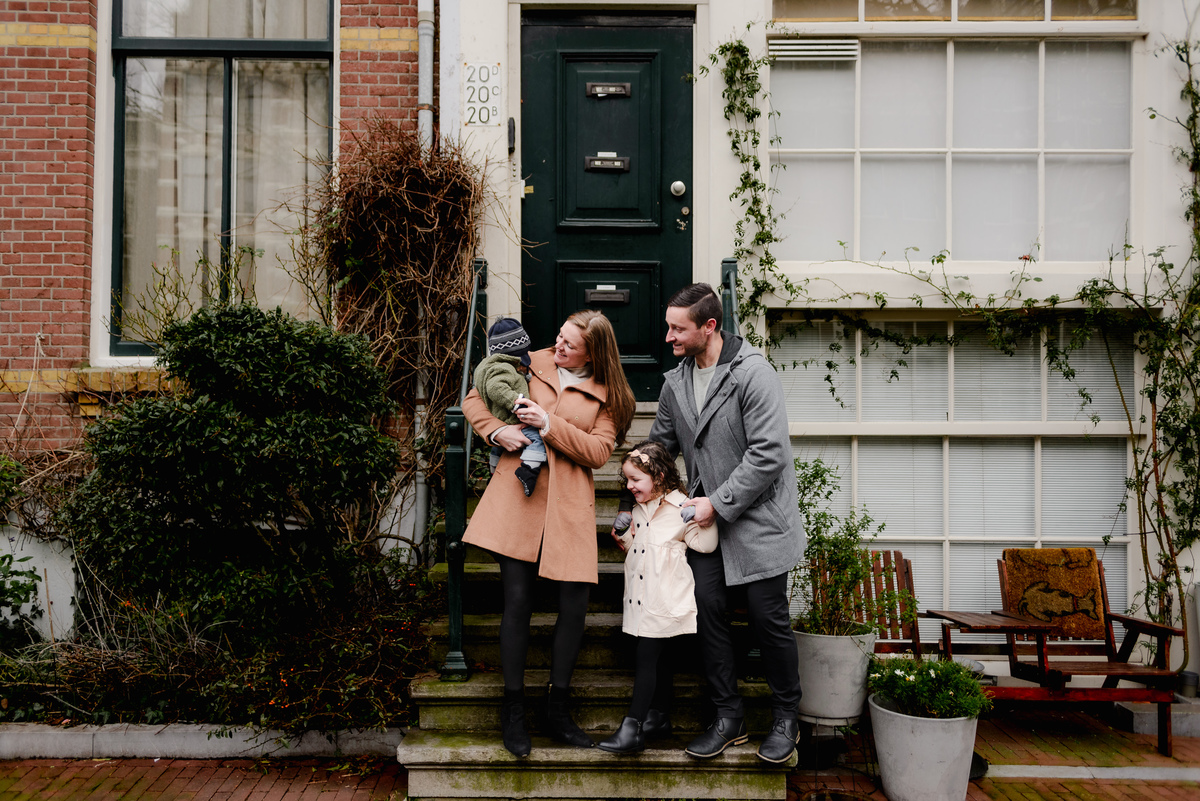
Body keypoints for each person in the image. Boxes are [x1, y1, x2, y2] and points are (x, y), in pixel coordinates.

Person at [621, 282, 804, 764]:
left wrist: (716, 504)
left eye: (677, 329)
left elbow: (769, 454)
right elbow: (659, 451)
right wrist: (630, 508)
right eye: (668, 327)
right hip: (705, 529)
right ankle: (729, 718)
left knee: (767, 618)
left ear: (709, 326)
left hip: (761, 521)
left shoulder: (754, 374)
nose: (668, 337)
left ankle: (786, 719)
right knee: (706, 608)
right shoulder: (675, 382)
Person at [462, 309, 636, 758]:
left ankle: (558, 710)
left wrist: (548, 424)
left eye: (569, 345)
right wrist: (496, 431)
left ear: (592, 355)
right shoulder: (529, 360)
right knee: (517, 601)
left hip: (570, 504)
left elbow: (599, 451)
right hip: (518, 497)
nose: (557, 346)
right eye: (559, 336)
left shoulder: (609, 395)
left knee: (574, 606)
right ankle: (513, 709)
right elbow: (474, 397)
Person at [598, 441, 717, 755]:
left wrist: (703, 518)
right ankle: (659, 716)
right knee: (660, 659)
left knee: (646, 659)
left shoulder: (681, 509)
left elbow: (705, 545)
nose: (629, 486)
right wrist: (624, 533)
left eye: (635, 479)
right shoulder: (639, 509)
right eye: (627, 479)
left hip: (665, 598)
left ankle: (632, 727)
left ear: (659, 477)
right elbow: (635, 549)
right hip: (640, 597)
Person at [474, 318, 546, 496]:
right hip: (512, 419)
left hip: (501, 421)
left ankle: (493, 472)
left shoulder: (487, 366)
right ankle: (529, 469)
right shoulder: (504, 369)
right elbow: (496, 388)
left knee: (498, 448)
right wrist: (516, 402)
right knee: (538, 439)